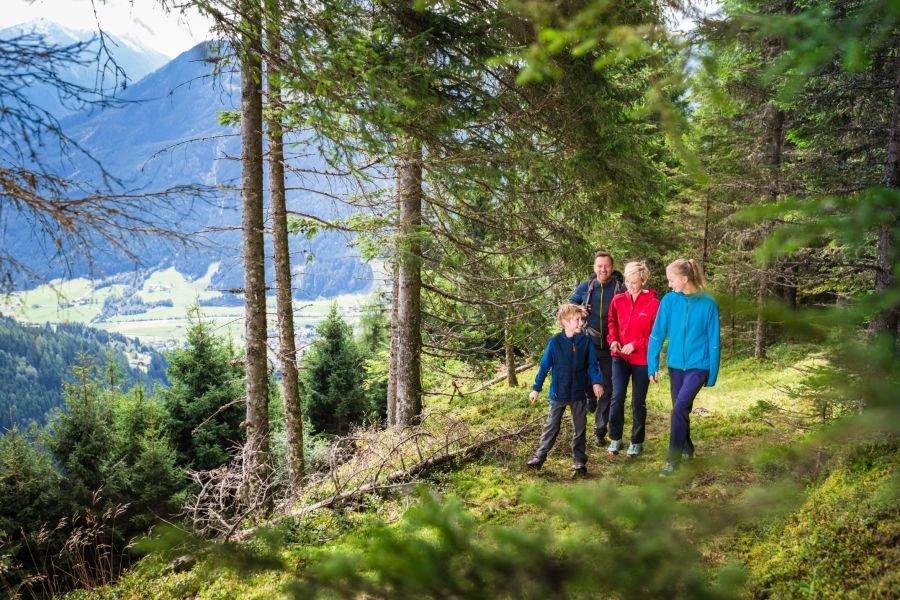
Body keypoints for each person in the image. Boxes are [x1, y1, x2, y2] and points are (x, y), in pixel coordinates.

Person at [647, 259, 721, 476]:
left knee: (679, 408)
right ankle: (687, 447)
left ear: (684, 279)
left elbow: (714, 339)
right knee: (681, 409)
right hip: (676, 366)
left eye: (671, 280)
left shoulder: (708, 303)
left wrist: (712, 373)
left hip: (699, 365)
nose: (669, 285)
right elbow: (657, 334)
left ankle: (673, 459)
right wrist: (653, 365)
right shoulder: (669, 301)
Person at [527, 304, 604, 476]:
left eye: (581, 319)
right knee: (552, 426)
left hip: (578, 393)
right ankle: (539, 458)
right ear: (564, 322)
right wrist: (536, 388)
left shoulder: (585, 342)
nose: (581, 323)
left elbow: (592, 365)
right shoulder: (554, 342)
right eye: (577, 320)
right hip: (558, 393)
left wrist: (596, 382)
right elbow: (545, 366)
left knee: (580, 428)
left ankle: (579, 462)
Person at [570, 250, 625, 447]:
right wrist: (579, 309)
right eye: (600, 266)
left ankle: (600, 430)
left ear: (612, 267)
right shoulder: (586, 287)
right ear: (594, 268)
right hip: (589, 344)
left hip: (611, 347)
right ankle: (589, 395)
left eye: (607, 266)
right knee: (585, 379)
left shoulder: (621, 287)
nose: (603, 269)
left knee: (608, 390)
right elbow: (569, 305)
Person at [606, 261, 659, 458]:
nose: (629, 285)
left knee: (638, 401)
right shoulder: (618, 300)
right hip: (619, 356)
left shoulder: (654, 304)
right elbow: (612, 323)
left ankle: (636, 441)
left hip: (641, 359)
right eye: (627, 281)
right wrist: (613, 341)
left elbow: (656, 334)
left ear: (643, 281)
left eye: (634, 282)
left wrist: (636, 344)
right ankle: (615, 438)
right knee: (617, 397)